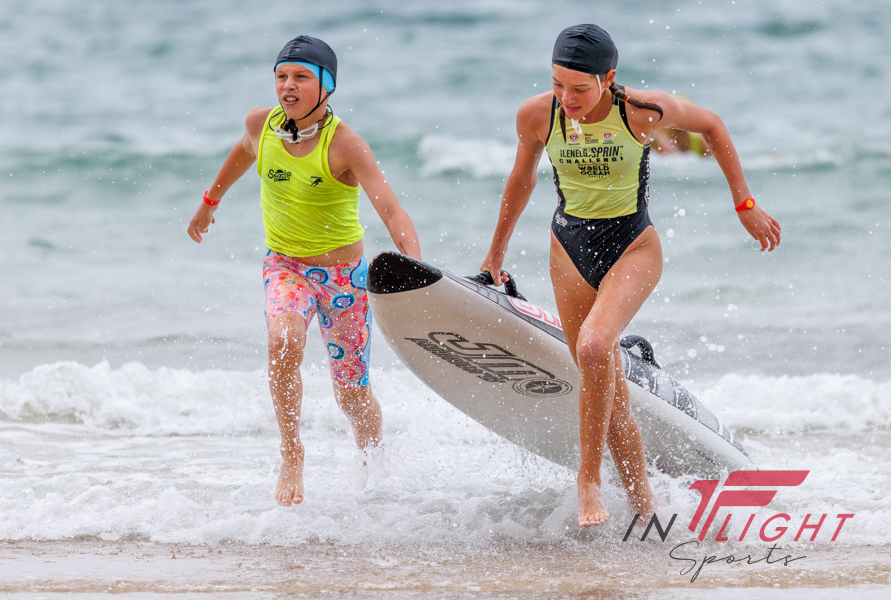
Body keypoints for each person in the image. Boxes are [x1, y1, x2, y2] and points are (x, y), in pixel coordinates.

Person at [480, 24, 780, 527]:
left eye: (580, 88)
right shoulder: (537, 115)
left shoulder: (641, 111)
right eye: (557, 84)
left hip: (633, 246)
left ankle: (588, 481)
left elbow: (712, 125)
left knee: (595, 347)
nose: (567, 98)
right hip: (568, 248)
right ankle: (644, 507)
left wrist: (745, 205)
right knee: (608, 386)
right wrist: (494, 256)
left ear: (608, 78)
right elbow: (521, 179)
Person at [187, 35, 422, 507]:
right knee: (283, 341)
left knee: (352, 395)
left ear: (327, 85)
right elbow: (242, 152)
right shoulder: (262, 124)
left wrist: (416, 270)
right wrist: (209, 202)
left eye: (301, 77)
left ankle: (376, 466)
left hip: (343, 278)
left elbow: (392, 211)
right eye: (281, 76)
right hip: (285, 266)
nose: (288, 86)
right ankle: (292, 452)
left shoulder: (346, 144)